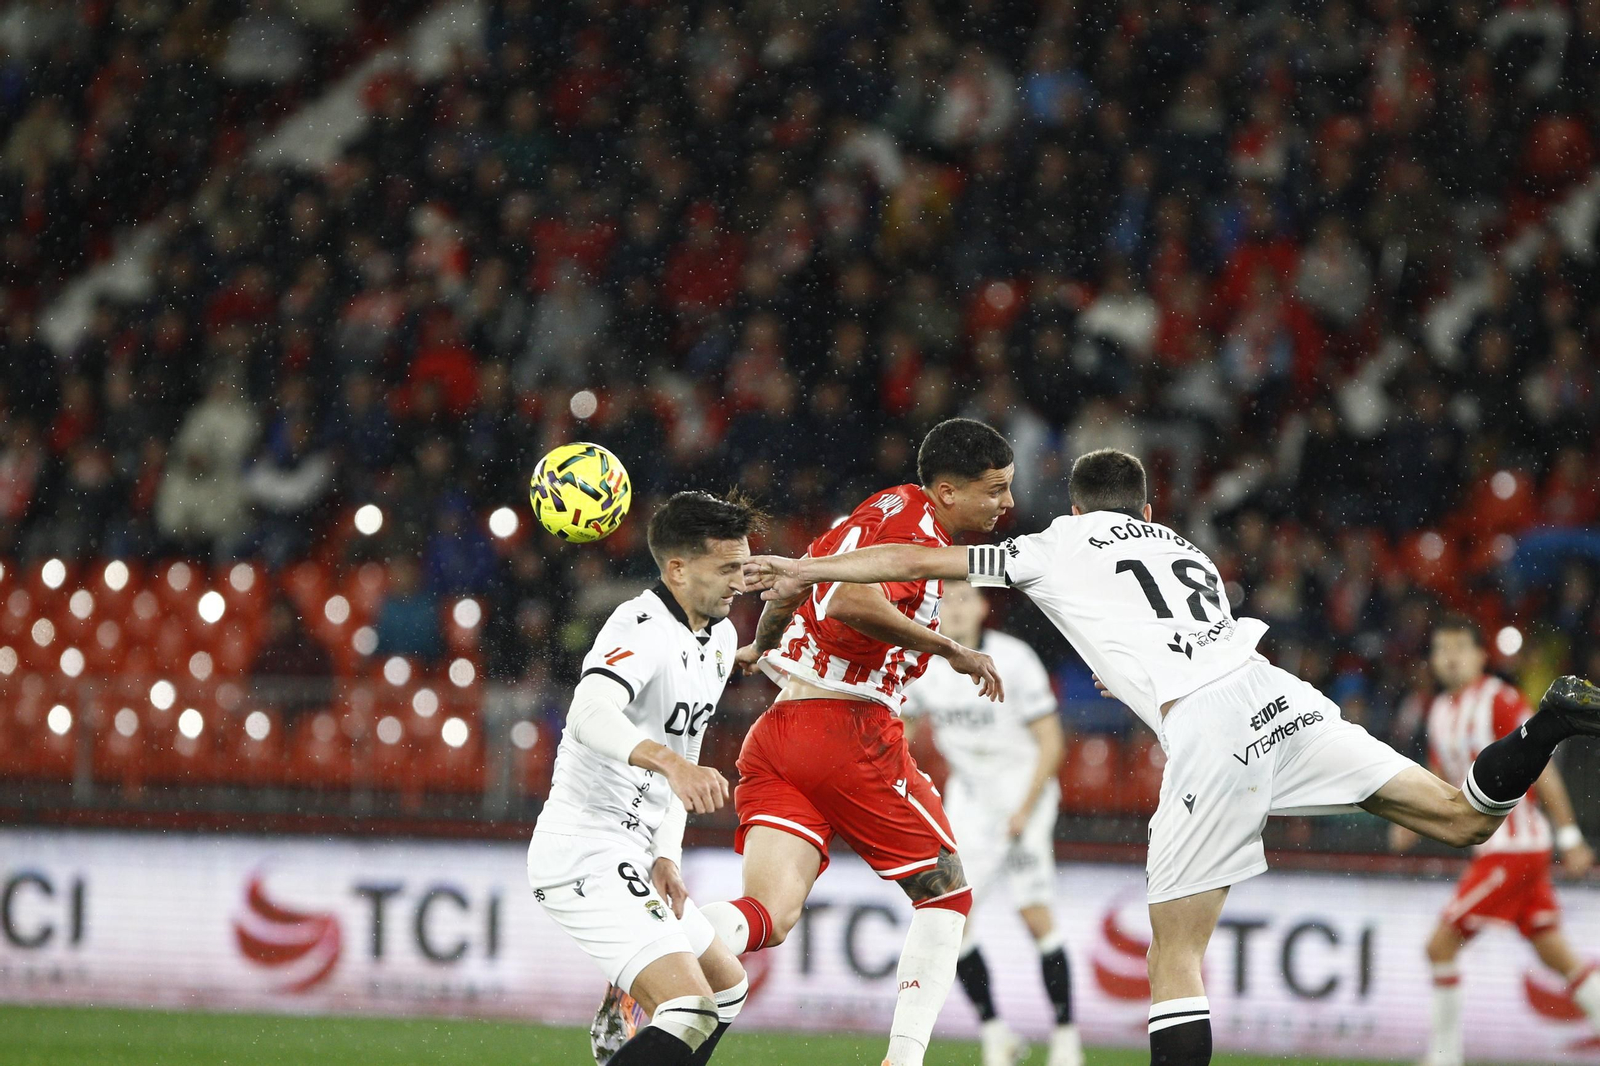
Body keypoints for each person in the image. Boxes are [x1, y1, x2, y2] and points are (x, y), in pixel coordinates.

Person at [744, 447, 1600, 1066]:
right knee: (1461, 817)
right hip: (1281, 697)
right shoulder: (1185, 549)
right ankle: (1550, 723)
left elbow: (914, 556)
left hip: (1212, 730)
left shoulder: (1054, 544)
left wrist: (808, 569)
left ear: (1077, 509)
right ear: (1147, 512)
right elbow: (1157, 630)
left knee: (1173, 956)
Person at [699, 418, 1011, 1066]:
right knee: (948, 895)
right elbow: (845, 600)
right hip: (848, 730)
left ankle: (661, 948)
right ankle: (905, 1059)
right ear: (949, 492)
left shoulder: (878, 509)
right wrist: (950, 647)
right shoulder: (915, 533)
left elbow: (794, 581)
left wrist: (760, 644)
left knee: (768, 915)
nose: (1006, 503)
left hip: (779, 733)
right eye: (995, 489)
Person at [528, 490, 763, 1066]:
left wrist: (665, 856)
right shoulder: (639, 627)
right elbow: (587, 713)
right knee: (689, 1010)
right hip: (583, 850)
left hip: (635, 851)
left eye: (744, 566)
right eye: (727, 569)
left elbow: (684, 753)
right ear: (678, 569)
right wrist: (670, 762)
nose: (741, 582)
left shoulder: (720, 638)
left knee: (726, 991)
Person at [1392, 615, 1600, 1066]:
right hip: (1498, 850)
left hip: (1514, 849)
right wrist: (1407, 817)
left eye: (1459, 648)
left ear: (1480, 656)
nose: (1450, 658)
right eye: (1441, 649)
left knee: (1439, 945)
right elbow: (1439, 779)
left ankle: (1443, 1059)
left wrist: (1570, 835)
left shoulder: (1500, 699)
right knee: (1556, 953)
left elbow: (1542, 766)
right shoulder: (1439, 710)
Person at [900, 580, 1080, 1066]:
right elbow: (903, 728)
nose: (954, 608)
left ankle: (1066, 1039)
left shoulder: (1014, 660)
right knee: (951, 915)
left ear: (983, 607)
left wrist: (1024, 810)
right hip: (970, 802)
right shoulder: (925, 663)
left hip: (1023, 795)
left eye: (964, 598)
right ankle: (996, 1034)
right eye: (945, 600)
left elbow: (1051, 741)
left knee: (1034, 914)